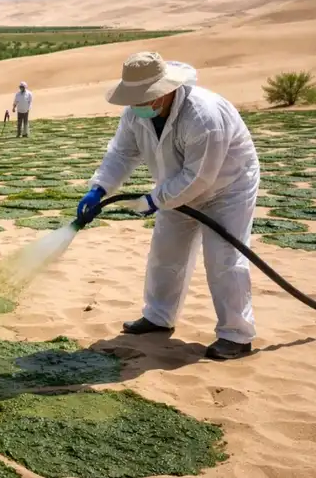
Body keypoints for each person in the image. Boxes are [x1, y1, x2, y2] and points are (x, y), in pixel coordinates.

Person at [76, 51, 261, 361]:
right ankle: (159, 317)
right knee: (166, 250)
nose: (137, 104)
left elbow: (200, 176)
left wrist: (154, 200)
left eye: (143, 96)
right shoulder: (137, 113)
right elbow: (121, 154)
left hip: (227, 187)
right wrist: (99, 188)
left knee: (223, 257)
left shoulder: (203, 116)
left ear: (165, 91)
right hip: (174, 184)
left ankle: (236, 335)